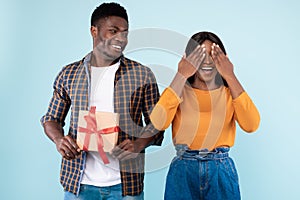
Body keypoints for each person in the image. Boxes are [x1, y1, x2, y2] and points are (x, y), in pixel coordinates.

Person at [40, 2, 163, 200]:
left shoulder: (141, 75)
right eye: (113, 31)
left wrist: (139, 144)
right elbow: (51, 118)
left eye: (125, 33)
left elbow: (157, 122)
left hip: (126, 184)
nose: (120, 39)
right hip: (79, 183)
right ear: (94, 31)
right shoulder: (69, 74)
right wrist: (59, 139)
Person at [150, 31, 260, 200]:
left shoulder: (230, 93)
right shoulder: (179, 91)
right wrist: (181, 74)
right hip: (183, 169)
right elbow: (158, 122)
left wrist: (230, 75)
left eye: (213, 55)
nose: (207, 61)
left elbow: (251, 125)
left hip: (220, 169)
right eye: (200, 55)